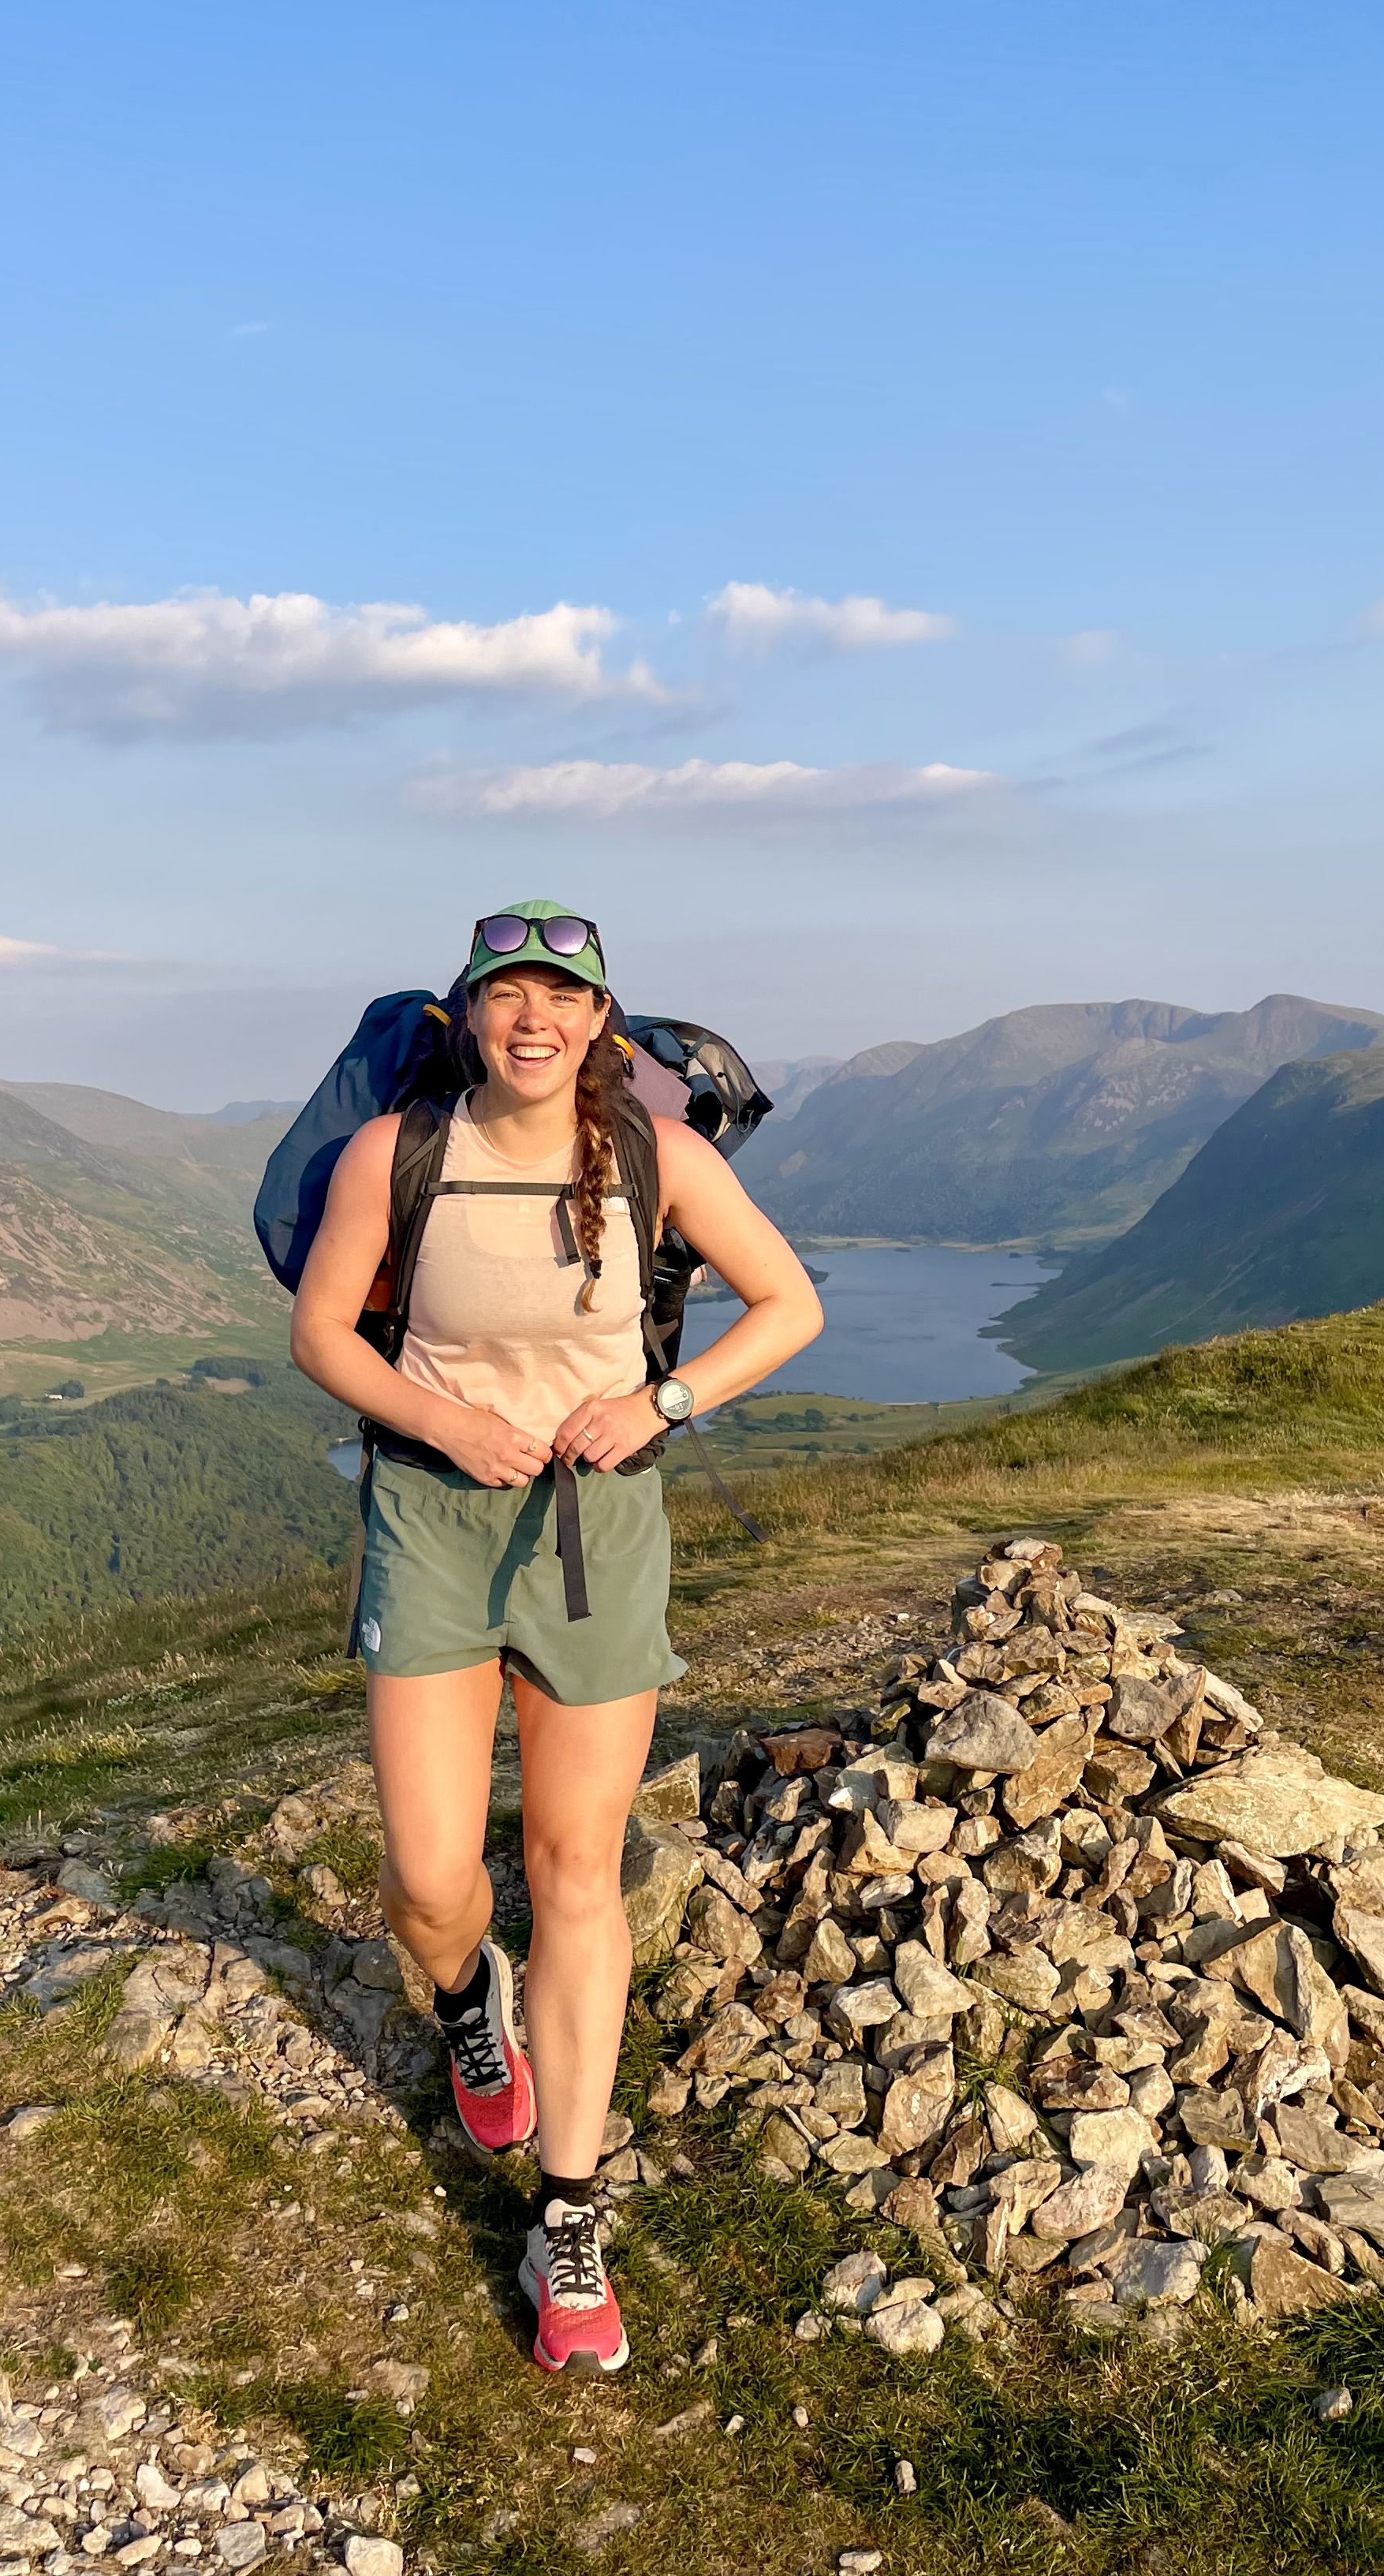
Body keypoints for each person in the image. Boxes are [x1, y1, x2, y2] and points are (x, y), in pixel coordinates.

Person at [289, 904, 823, 2374]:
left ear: (600, 1024)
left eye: (562, 997)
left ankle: (570, 2214)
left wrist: (663, 1402)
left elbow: (789, 1305)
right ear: (468, 1015)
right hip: (435, 1520)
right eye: (506, 993)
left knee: (577, 1869)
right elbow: (326, 1333)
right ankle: (471, 2004)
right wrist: (446, 1418)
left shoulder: (662, 1160)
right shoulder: (390, 1157)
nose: (534, 1018)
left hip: (603, 1529)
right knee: (427, 1873)